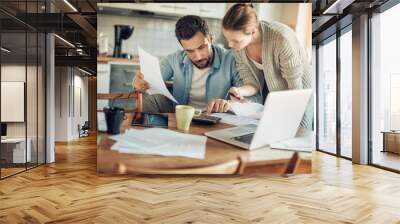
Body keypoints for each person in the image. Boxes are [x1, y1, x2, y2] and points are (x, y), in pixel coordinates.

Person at [222, 3, 313, 130]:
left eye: (236, 41)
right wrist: (239, 91)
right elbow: (252, 83)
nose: (230, 45)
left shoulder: (281, 39)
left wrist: (285, 117)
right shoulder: (239, 48)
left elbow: (295, 90)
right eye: (228, 39)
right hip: (275, 94)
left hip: (298, 91)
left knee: (298, 134)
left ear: (253, 32)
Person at [133, 15, 244, 114]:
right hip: (182, 115)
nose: (198, 56)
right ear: (182, 47)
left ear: (210, 38)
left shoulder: (230, 59)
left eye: (201, 47)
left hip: (216, 118)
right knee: (147, 97)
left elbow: (251, 98)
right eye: (190, 51)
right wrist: (140, 83)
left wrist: (229, 104)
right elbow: (150, 80)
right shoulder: (175, 59)